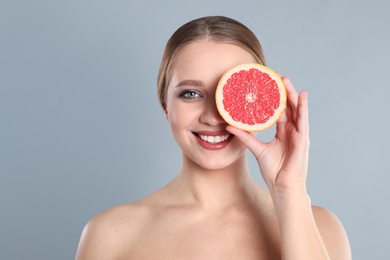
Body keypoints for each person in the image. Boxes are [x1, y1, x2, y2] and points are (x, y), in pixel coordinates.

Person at [75, 16, 351, 259]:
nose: (213, 116)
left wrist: (289, 192)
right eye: (191, 94)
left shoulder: (320, 227)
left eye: (231, 94)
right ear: (165, 106)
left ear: (262, 104)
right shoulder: (109, 234)